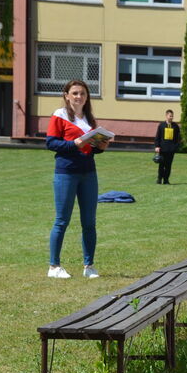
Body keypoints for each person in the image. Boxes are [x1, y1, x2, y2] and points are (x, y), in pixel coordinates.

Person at [46, 79, 110, 279]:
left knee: (89, 222)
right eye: (74, 93)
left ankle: (89, 266)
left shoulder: (89, 120)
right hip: (66, 173)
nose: (79, 97)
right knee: (62, 220)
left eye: (82, 93)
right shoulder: (60, 115)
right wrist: (76, 142)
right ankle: (54, 267)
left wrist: (100, 146)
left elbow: (89, 149)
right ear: (66, 95)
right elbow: (51, 143)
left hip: (88, 173)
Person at [153, 109, 181, 184]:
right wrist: (157, 146)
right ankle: (159, 179)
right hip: (162, 149)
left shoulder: (175, 126)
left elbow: (178, 138)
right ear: (166, 116)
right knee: (161, 165)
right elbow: (157, 136)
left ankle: (166, 180)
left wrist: (176, 146)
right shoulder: (161, 125)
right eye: (170, 116)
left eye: (172, 116)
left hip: (171, 150)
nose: (171, 117)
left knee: (168, 166)